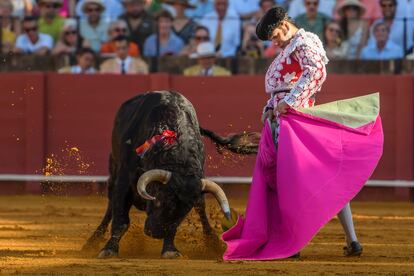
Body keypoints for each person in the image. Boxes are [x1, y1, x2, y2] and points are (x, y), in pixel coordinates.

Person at [222, 6, 366, 260]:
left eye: (276, 35)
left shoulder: (305, 41)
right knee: (317, 177)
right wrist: (270, 109)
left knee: (299, 179)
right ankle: (341, 239)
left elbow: (316, 72)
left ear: (285, 26)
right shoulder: (289, 48)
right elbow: (278, 92)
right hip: (283, 120)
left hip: (297, 121)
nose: (275, 42)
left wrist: (290, 102)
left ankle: (328, 240)